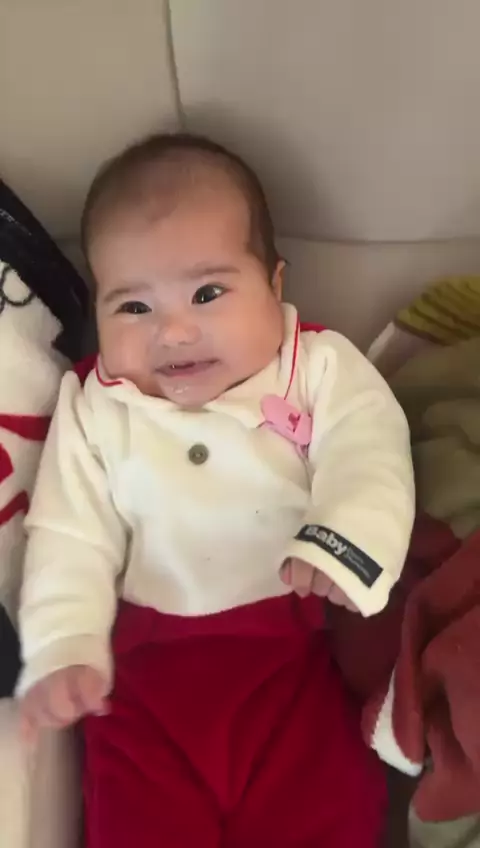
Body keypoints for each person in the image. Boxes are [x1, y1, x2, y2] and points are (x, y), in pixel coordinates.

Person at [17, 133, 415, 847]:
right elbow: (70, 532)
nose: (173, 331)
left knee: (325, 807)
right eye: (132, 308)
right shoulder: (97, 406)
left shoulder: (315, 366)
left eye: (208, 293)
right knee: (136, 820)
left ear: (275, 286)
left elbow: (369, 448)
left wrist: (346, 541)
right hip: (142, 679)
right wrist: (65, 643)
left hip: (293, 657)